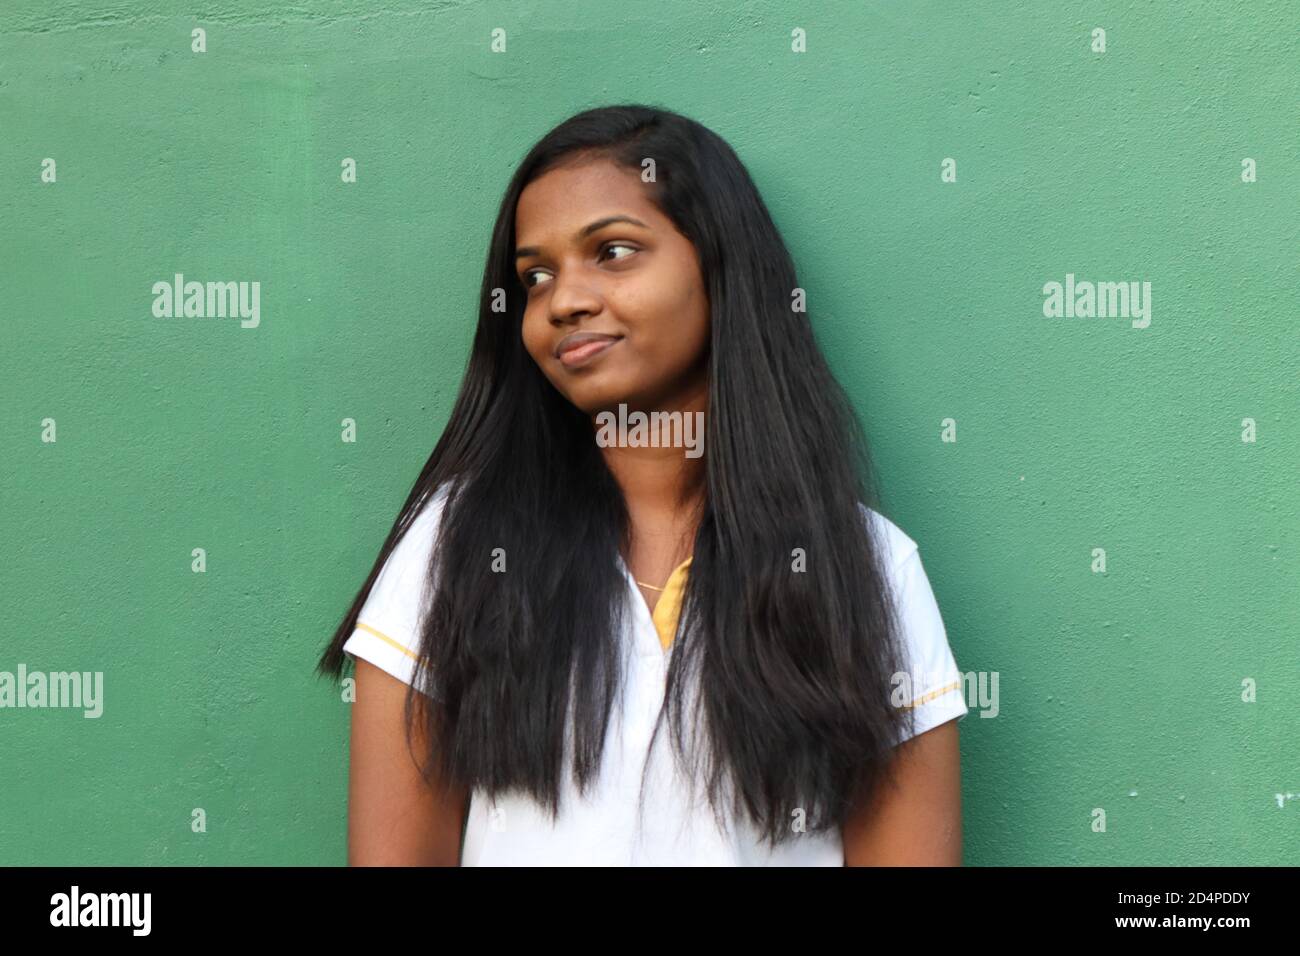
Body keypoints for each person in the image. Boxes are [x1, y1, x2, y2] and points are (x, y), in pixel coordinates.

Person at [317, 104, 969, 865]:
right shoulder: (453, 543)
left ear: (718, 267)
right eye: (535, 276)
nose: (565, 300)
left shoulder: (866, 568)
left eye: (614, 251)